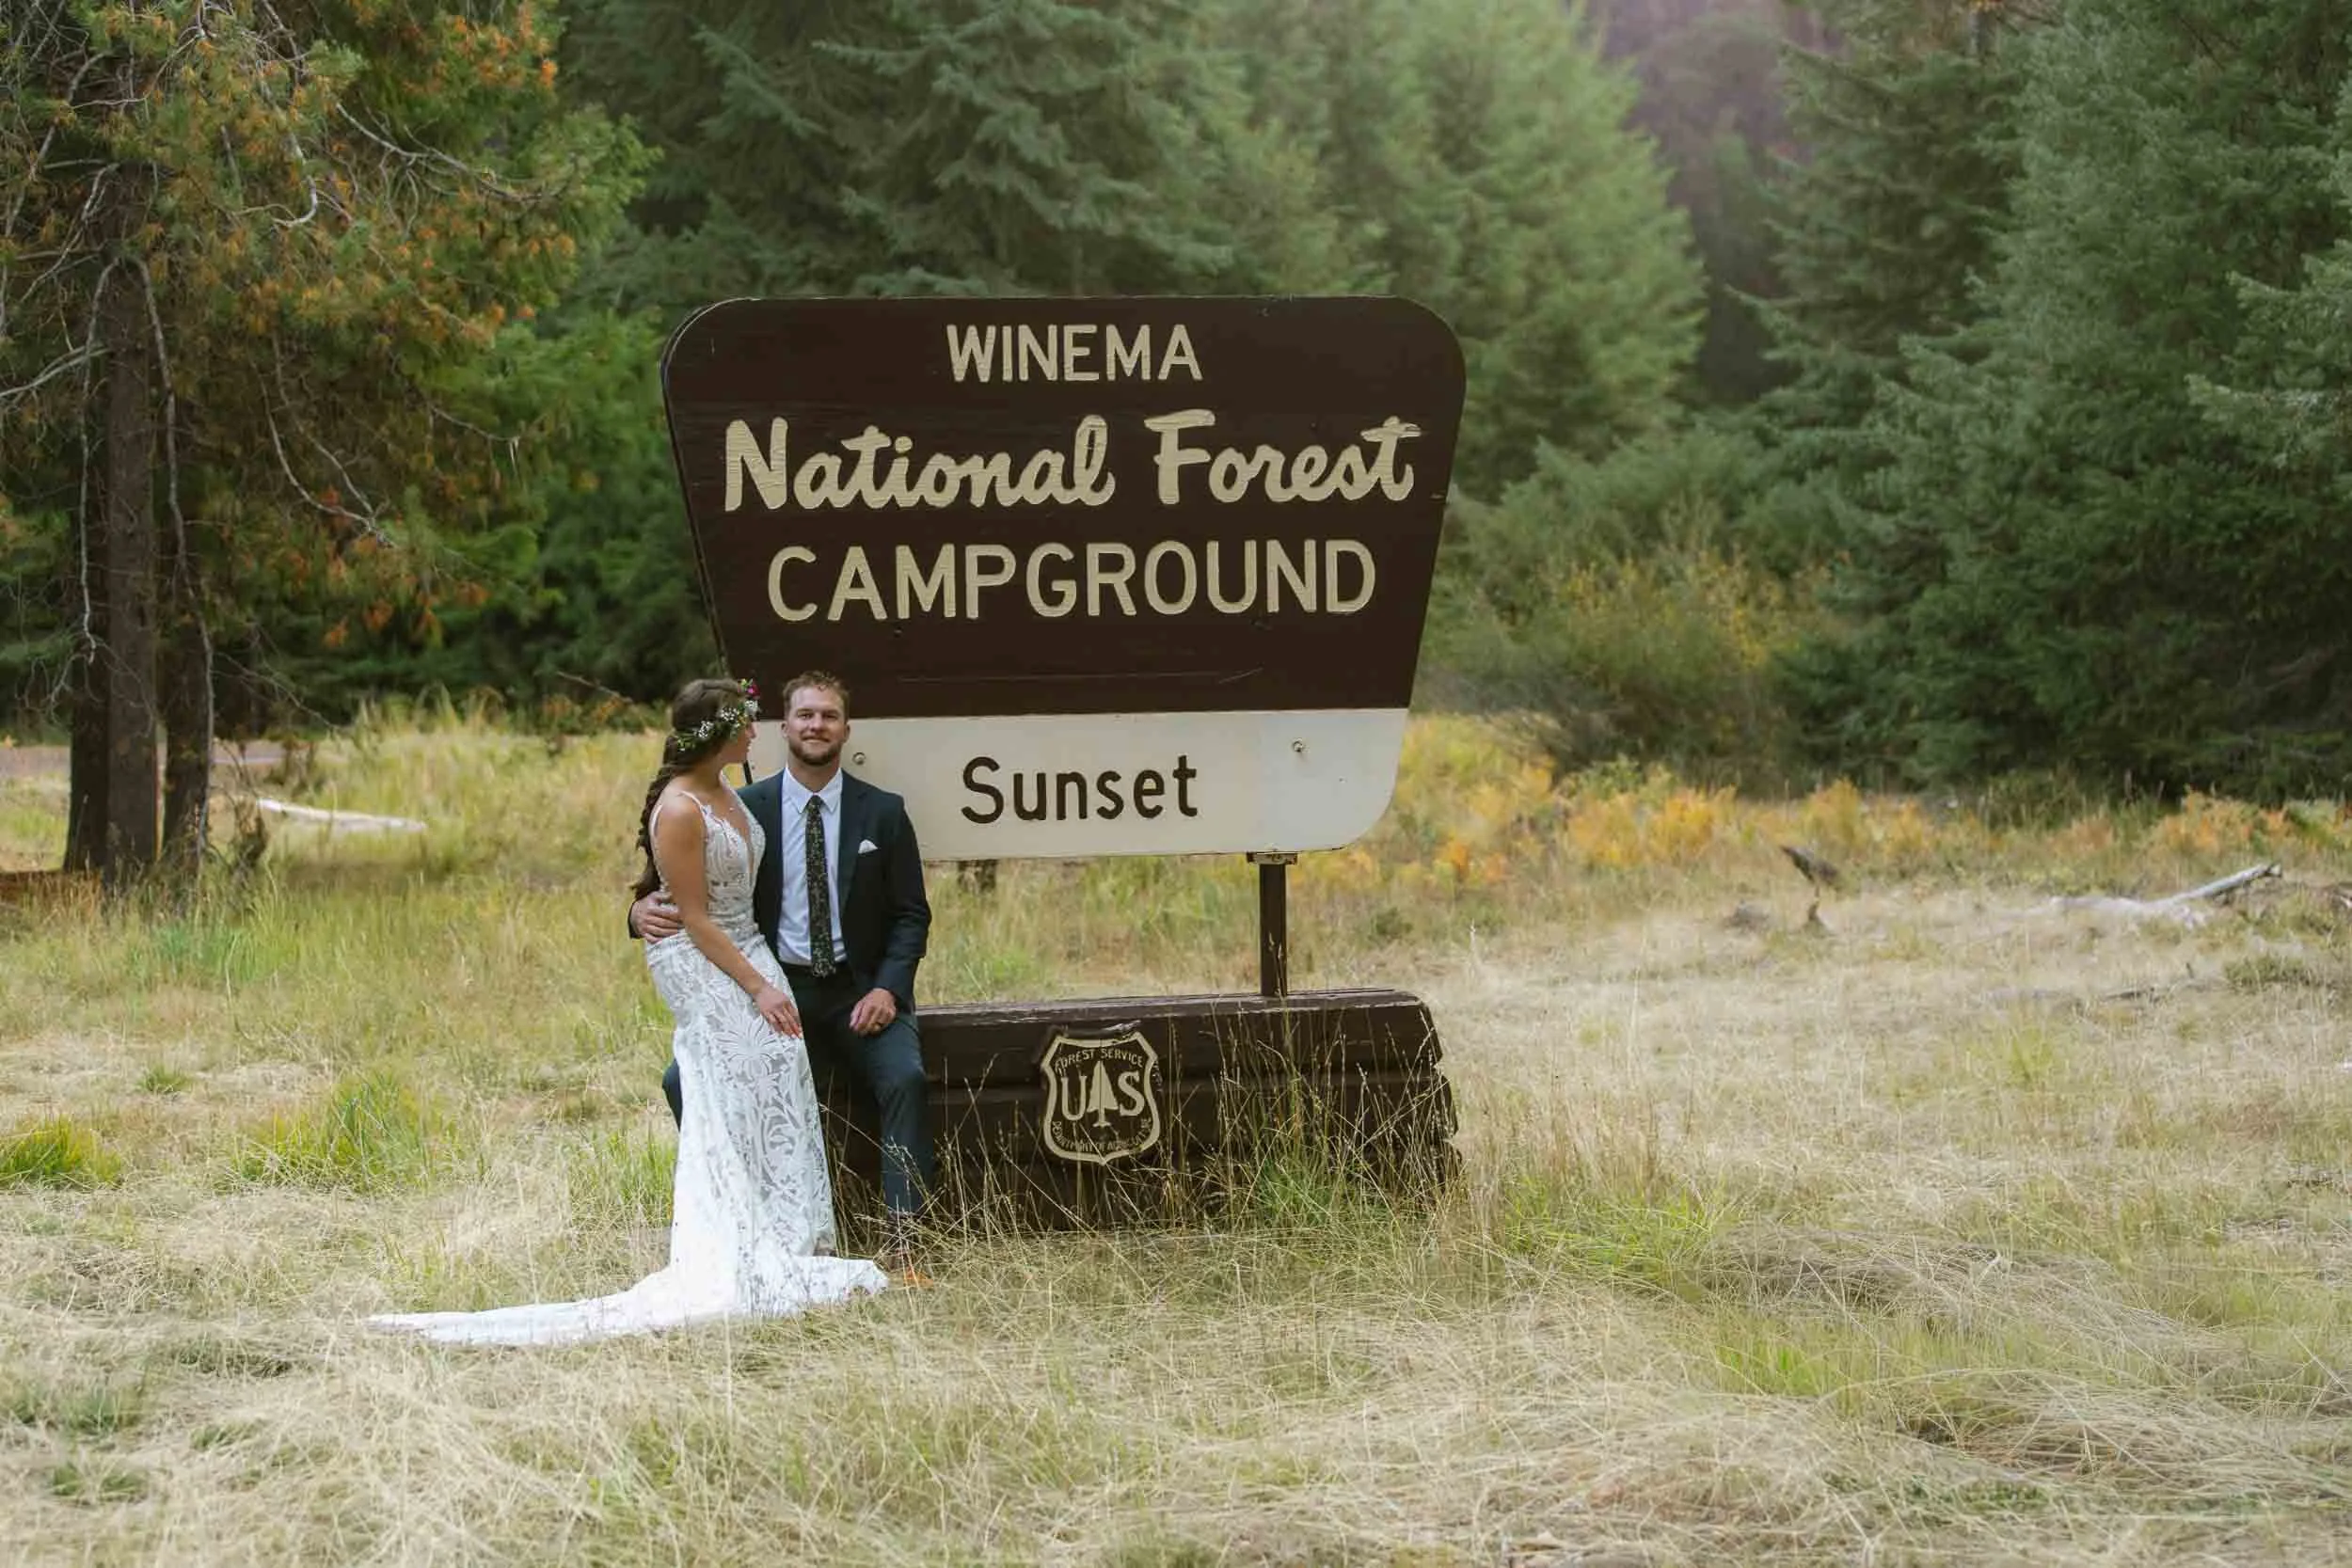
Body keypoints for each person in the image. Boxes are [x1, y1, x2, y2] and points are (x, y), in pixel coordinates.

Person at [368, 678, 887, 1346]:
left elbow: (708, 882)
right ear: (714, 732)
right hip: (702, 957)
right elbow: (691, 912)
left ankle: (788, 1231)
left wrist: (749, 965)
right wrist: (752, 982)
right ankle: (733, 1236)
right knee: (730, 1074)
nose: (756, 731)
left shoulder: (733, 790)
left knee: (778, 1062)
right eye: (744, 722)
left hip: (745, 944)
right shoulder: (678, 808)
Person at [630, 671, 936, 1270]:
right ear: (785, 727)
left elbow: (911, 916)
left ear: (847, 728)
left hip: (858, 990)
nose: (816, 725)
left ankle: (904, 1241)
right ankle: (734, 1220)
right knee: (678, 1080)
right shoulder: (743, 806)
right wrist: (638, 912)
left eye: (828, 715)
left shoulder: (885, 814)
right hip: (775, 984)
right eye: (804, 715)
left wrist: (887, 988)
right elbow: (683, 886)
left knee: (904, 1076)